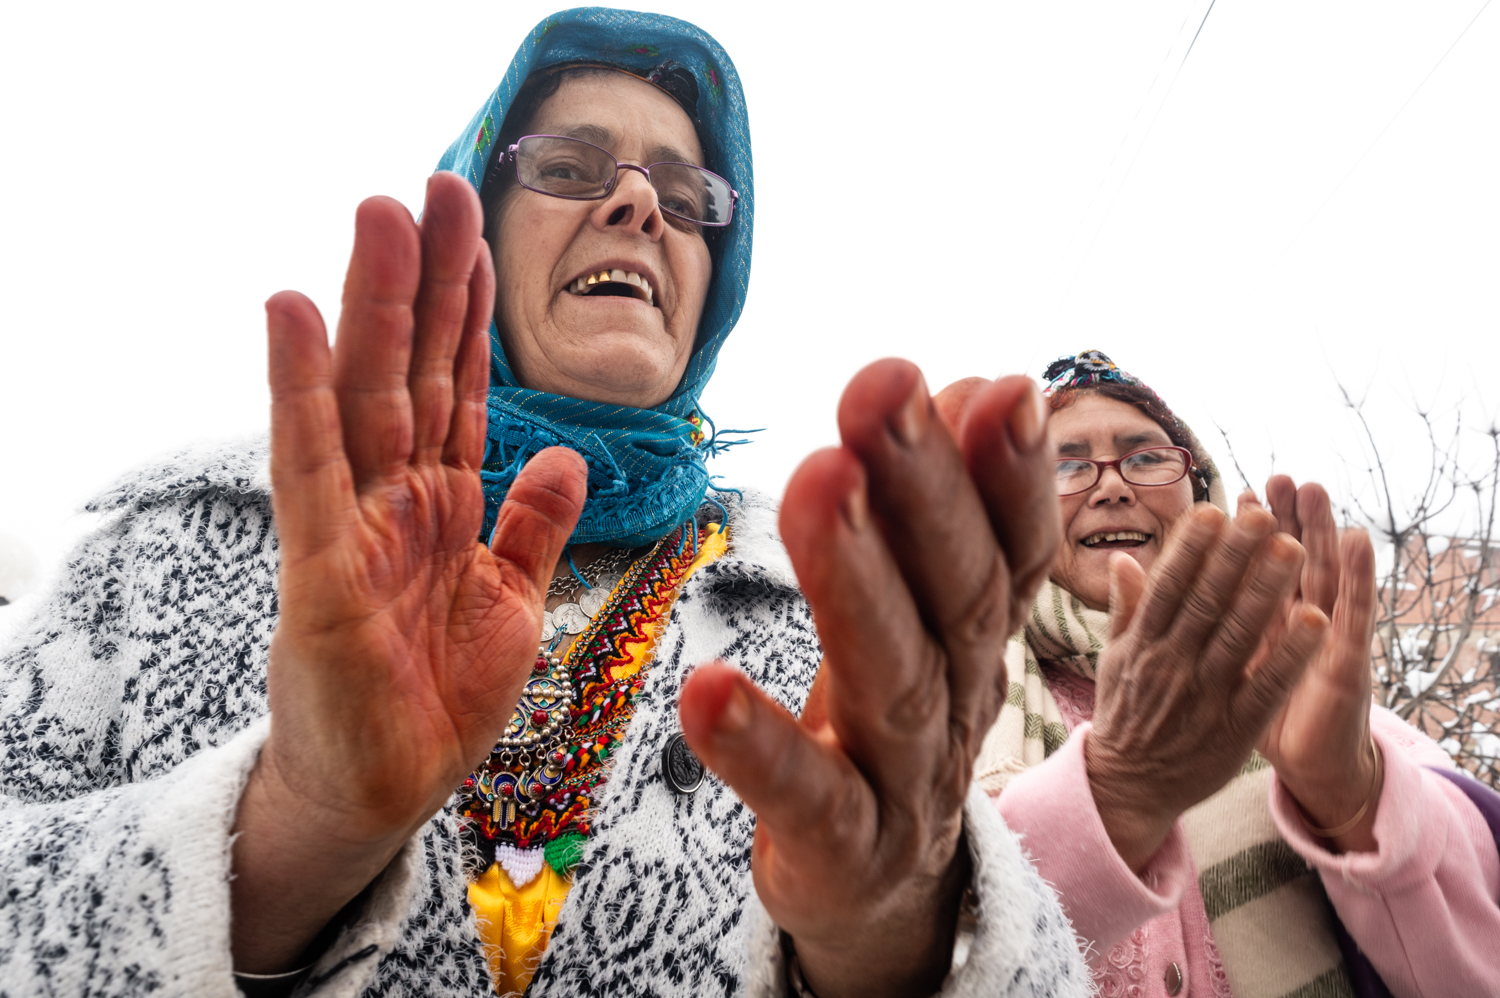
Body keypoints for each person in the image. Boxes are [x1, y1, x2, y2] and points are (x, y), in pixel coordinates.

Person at [0, 11, 1103, 997]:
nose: (638, 204)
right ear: (474, 217)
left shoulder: (827, 609)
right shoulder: (184, 536)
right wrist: (293, 826)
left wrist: (894, 934)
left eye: (687, 198)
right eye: (572, 166)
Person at [974, 350, 1500, 998]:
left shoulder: (1297, 687)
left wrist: (1353, 795)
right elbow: (917, 949)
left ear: (1196, 496)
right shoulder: (961, 710)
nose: (1112, 487)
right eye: (1067, 466)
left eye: (1145, 458)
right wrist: (1115, 791)